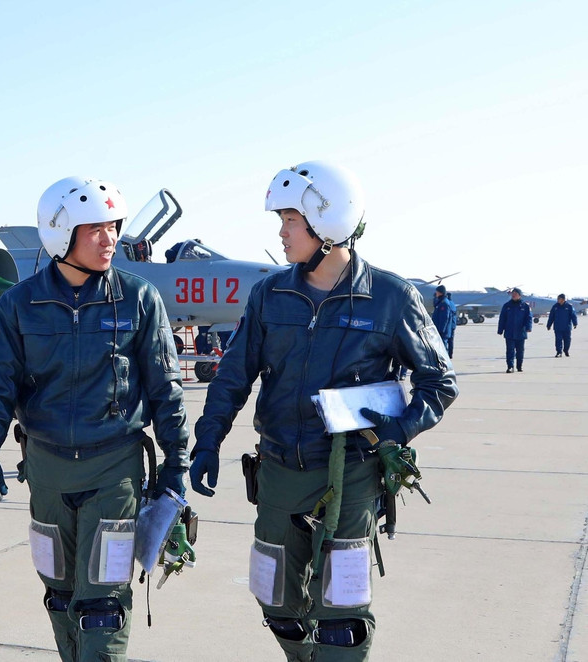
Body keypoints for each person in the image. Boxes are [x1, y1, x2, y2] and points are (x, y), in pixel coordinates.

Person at [189, 160, 458, 660]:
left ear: (327, 223)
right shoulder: (271, 294)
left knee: (341, 618)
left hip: (351, 474)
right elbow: (232, 376)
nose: (282, 233)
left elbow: (439, 382)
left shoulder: (390, 297)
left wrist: (394, 431)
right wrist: (208, 441)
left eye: (290, 221)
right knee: (276, 602)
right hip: (278, 474)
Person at [0, 176, 189, 662]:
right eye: (95, 229)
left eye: (113, 226)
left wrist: (177, 465)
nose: (110, 239)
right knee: (61, 595)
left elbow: (166, 390)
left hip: (115, 471)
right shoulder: (20, 304)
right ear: (59, 233)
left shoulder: (139, 299)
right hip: (47, 474)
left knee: (103, 605)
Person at [497, 288, 532, 373]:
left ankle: (519, 366)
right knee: (510, 350)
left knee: (520, 351)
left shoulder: (525, 306)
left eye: (516, 293)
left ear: (520, 295)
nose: (514, 295)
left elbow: (529, 318)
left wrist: (528, 327)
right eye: (513, 293)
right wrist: (500, 329)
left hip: (521, 332)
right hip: (509, 332)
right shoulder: (507, 306)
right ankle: (510, 366)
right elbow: (502, 318)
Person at [547, 293, 578, 357]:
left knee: (567, 340)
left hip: (567, 327)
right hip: (558, 327)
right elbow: (551, 316)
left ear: (563, 300)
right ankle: (559, 352)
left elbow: (573, 316)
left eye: (559, 299)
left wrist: (575, 323)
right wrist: (549, 325)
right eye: (557, 299)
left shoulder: (569, 306)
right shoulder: (555, 307)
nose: (558, 300)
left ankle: (566, 350)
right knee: (558, 340)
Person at [431, 285, 457, 359]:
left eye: (437, 292)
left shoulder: (444, 303)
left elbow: (444, 318)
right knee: (442, 346)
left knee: (443, 347)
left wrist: (441, 330)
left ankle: (445, 362)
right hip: (442, 329)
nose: (436, 293)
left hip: (442, 330)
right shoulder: (441, 302)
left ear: (440, 292)